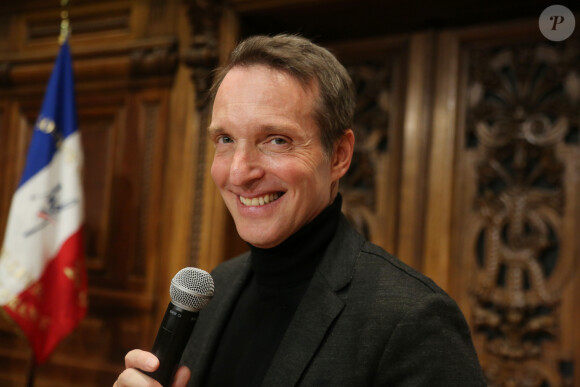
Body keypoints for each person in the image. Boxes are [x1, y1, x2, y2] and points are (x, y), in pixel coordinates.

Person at [114, 34, 485, 387]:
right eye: (225, 140)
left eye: (277, 140)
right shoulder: (215, 289)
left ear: (339, 155)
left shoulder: (413, 318)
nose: (240, 173)